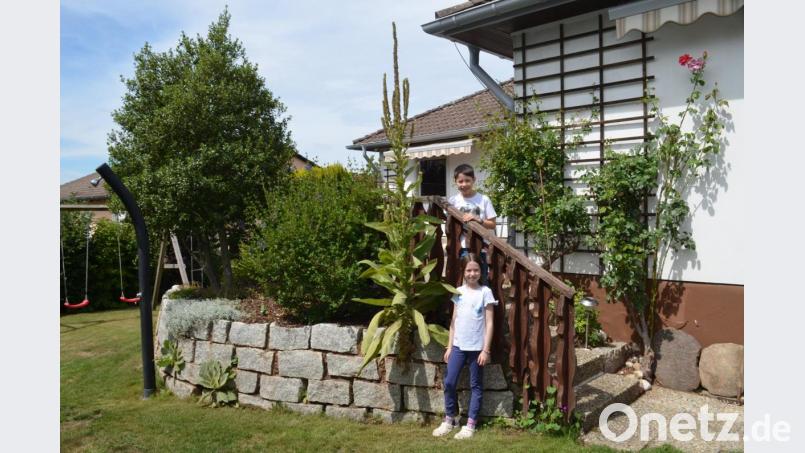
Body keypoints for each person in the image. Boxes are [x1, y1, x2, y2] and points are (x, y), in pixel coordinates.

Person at [432, 253, 497, 440]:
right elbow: (453, 320)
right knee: (450, 382)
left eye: (476, 270)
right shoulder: (458, 292)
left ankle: (470, 424)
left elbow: (490, 323)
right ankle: (450, 419)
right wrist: (449, 346)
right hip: (458, 347)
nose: (472, 273)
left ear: (481, 271)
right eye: (469, 270)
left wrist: (486, 349)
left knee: (476, 385)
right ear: (463, 271)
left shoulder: (485, 292)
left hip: (477, 349)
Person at [447, 164, 496, 285]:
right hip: (461, 246)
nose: (464, 184)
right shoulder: (453, 201)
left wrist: (478, 220)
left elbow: (492, 224)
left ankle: (484, 303)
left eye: (467, 180)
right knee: (462, 278)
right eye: (460, 181)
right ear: (455, 182)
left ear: (474, 180)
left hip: (481, 247)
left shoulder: (484, 199)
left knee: (481, 277)